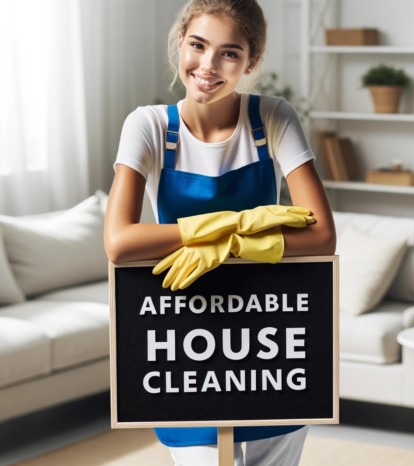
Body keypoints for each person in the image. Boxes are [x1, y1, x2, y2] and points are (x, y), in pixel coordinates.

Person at [104, 0, 336, 464]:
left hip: (270, 338)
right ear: (180, 43)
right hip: (186, 343)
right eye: (198, 45)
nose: (208, 66)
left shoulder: (272, 118)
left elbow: (323, 236)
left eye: (229, 53)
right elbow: (120, 243)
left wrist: (226, 242)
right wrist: (232, 226)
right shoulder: (148, 126)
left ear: (251, 62)